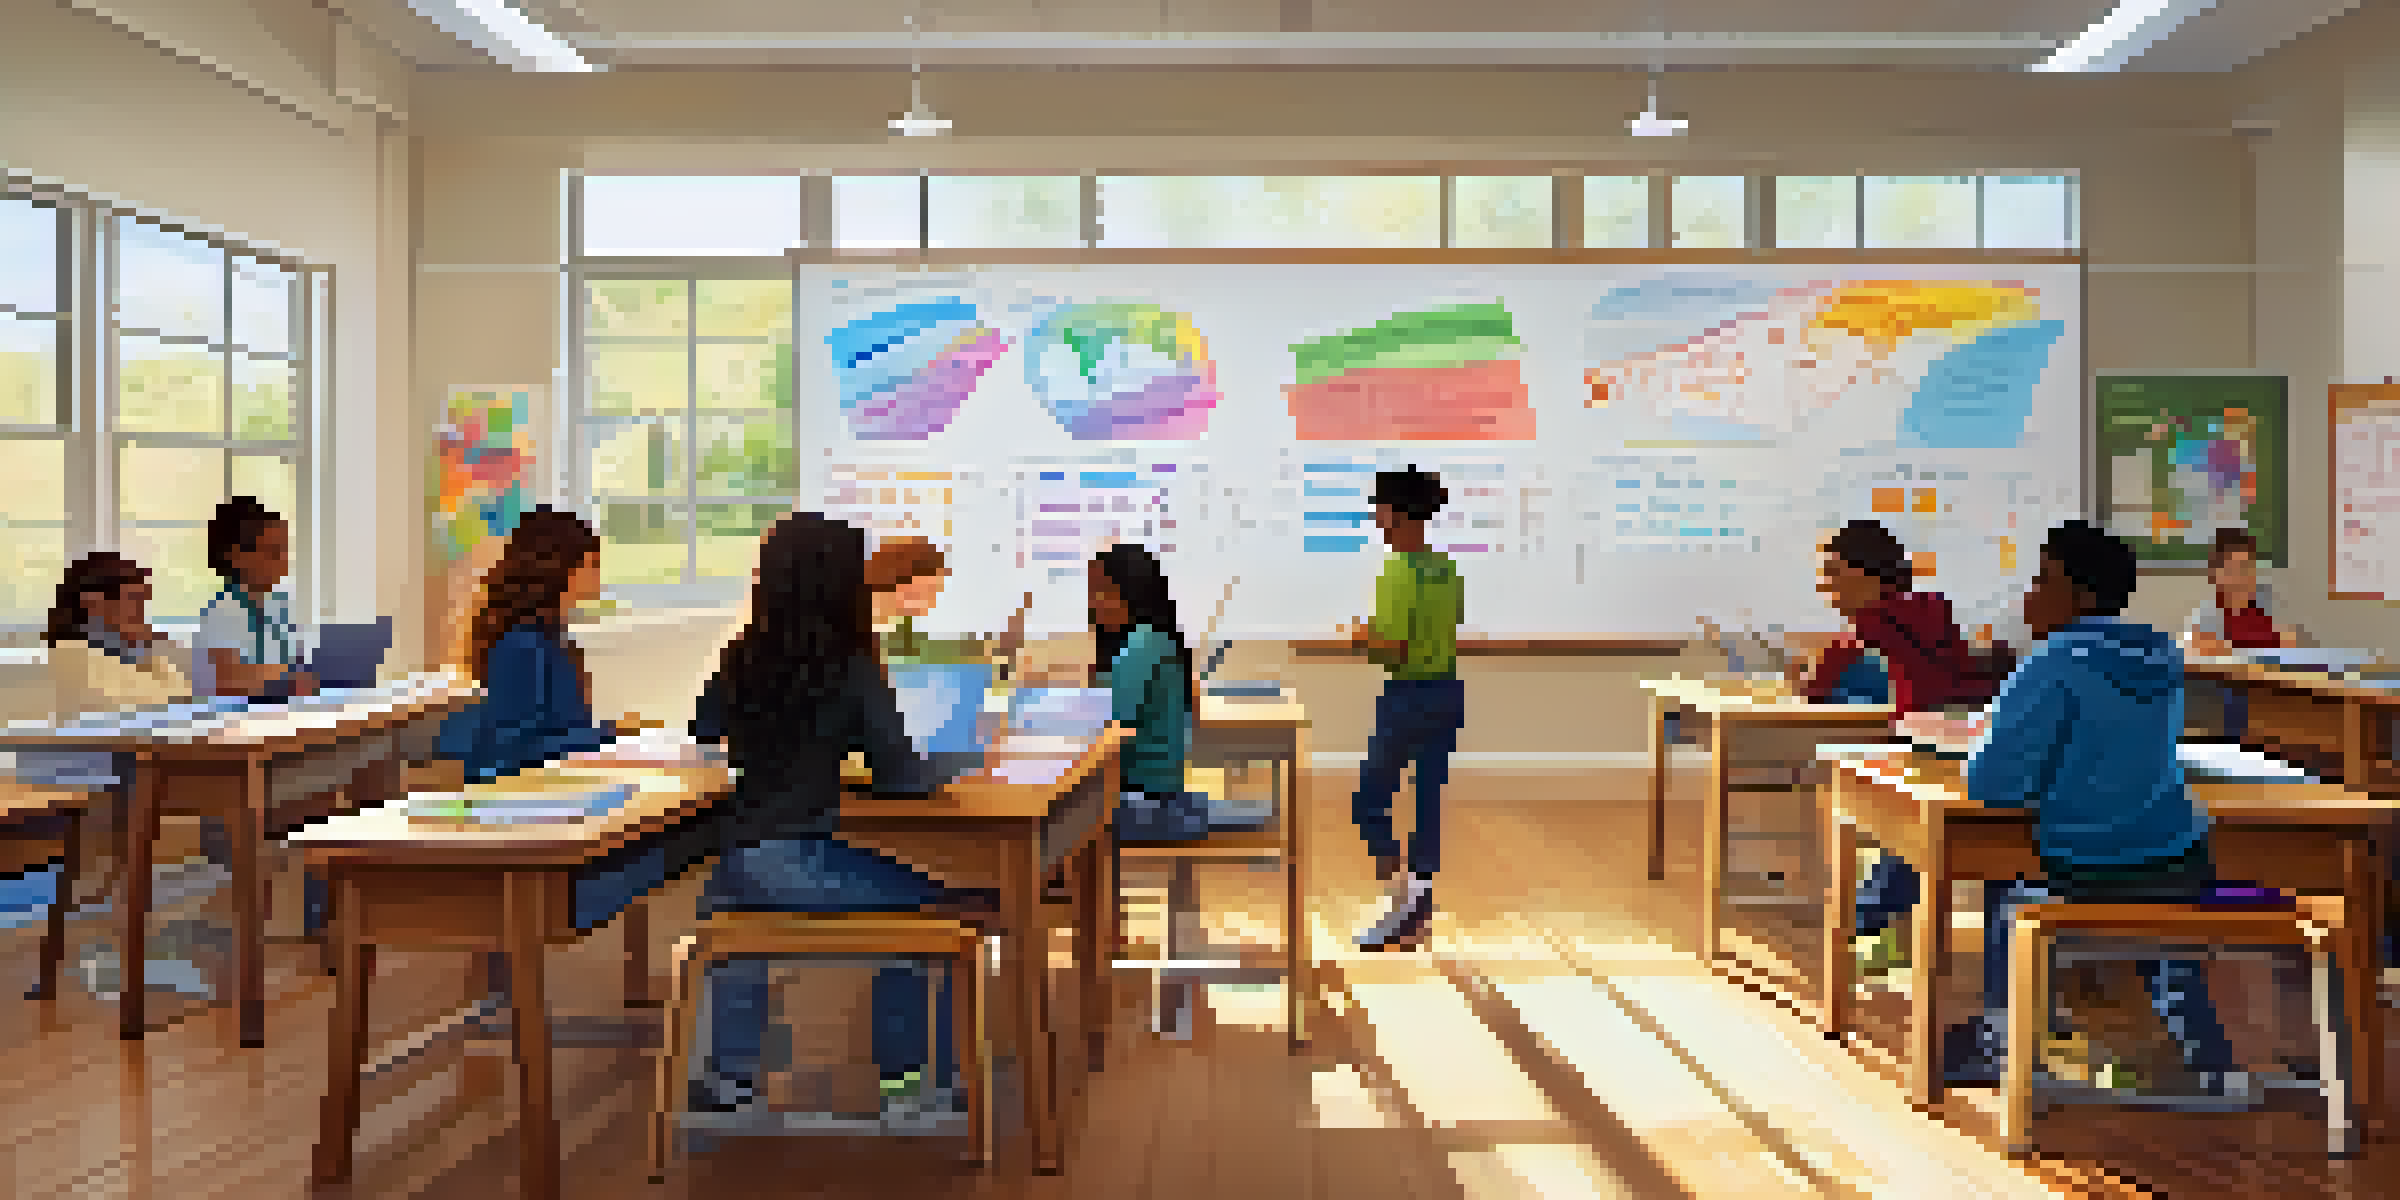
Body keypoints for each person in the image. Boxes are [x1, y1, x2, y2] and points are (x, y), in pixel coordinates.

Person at [687, 513, 989, 1123]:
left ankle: (727, 1082)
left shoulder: (742, 655)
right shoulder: (851, 668)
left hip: (735, 863)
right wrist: (955, 766)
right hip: (801, 862)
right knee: (940, 906)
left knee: (746, 919)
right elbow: (901, 779)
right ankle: (911, 1088)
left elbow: (705, 730)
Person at [1917, 520, 2234, 1090]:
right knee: (2147, 918)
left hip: (2090, 872)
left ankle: (2005, 1038)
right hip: (2183, 863)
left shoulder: (2052, 663)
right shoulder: (2159, 656)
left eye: (2043, 581)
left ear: (2081, 596)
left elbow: (1993, 784)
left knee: (2004, 881)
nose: (2030, 595)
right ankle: (2190, 1048)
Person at [1798, 521, 2010, 972]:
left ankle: (1857, 924)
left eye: (1834, 573)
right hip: (1972, 736)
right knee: (1920, 846)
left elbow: (1815, 687)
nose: (1825, 585)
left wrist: (1806, 672)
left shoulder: (1871, 621)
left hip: (1928, 743)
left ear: (1867, 575)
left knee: (1903, 837)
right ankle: (1868, 922)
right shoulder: (1933, 607)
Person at [1346, 467, 1466, 951]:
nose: (1376, 518)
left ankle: (1399, 894)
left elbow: (1392, 648)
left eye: (1378, 508)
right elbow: (1439, 631)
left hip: (1408, 694)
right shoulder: (1447, 570)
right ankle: (1418, 897)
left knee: (1369, 798)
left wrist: (1361, 637)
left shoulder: (1396, 571)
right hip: (1446, 691)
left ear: (1395, 513)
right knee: (1426, 800)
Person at [433, 507, 625, 784]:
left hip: (555, 783)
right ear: (562, 567)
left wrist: (605, 737)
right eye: (592, 563)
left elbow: (562, 731)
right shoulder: (522, 644)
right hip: (517, 793)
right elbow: (519, 751)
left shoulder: (552, 636)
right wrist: (609, 734)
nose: (598, 574)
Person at [194, 496, 314, 701]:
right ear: (238, 556)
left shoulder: (278, 605)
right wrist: (287, 676)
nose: (284, 562)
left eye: (284, 551)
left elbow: (296, 662)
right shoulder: (223, 611)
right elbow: (229, 681)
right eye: (274, 553)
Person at [2183, 527, 2295, 658]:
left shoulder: (2266, 613)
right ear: (2215, 574)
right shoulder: (2206, 619)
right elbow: (2199, 654)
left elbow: (2289, 646)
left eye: (2249, 568)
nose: (2245, 578)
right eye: (2235, 569)